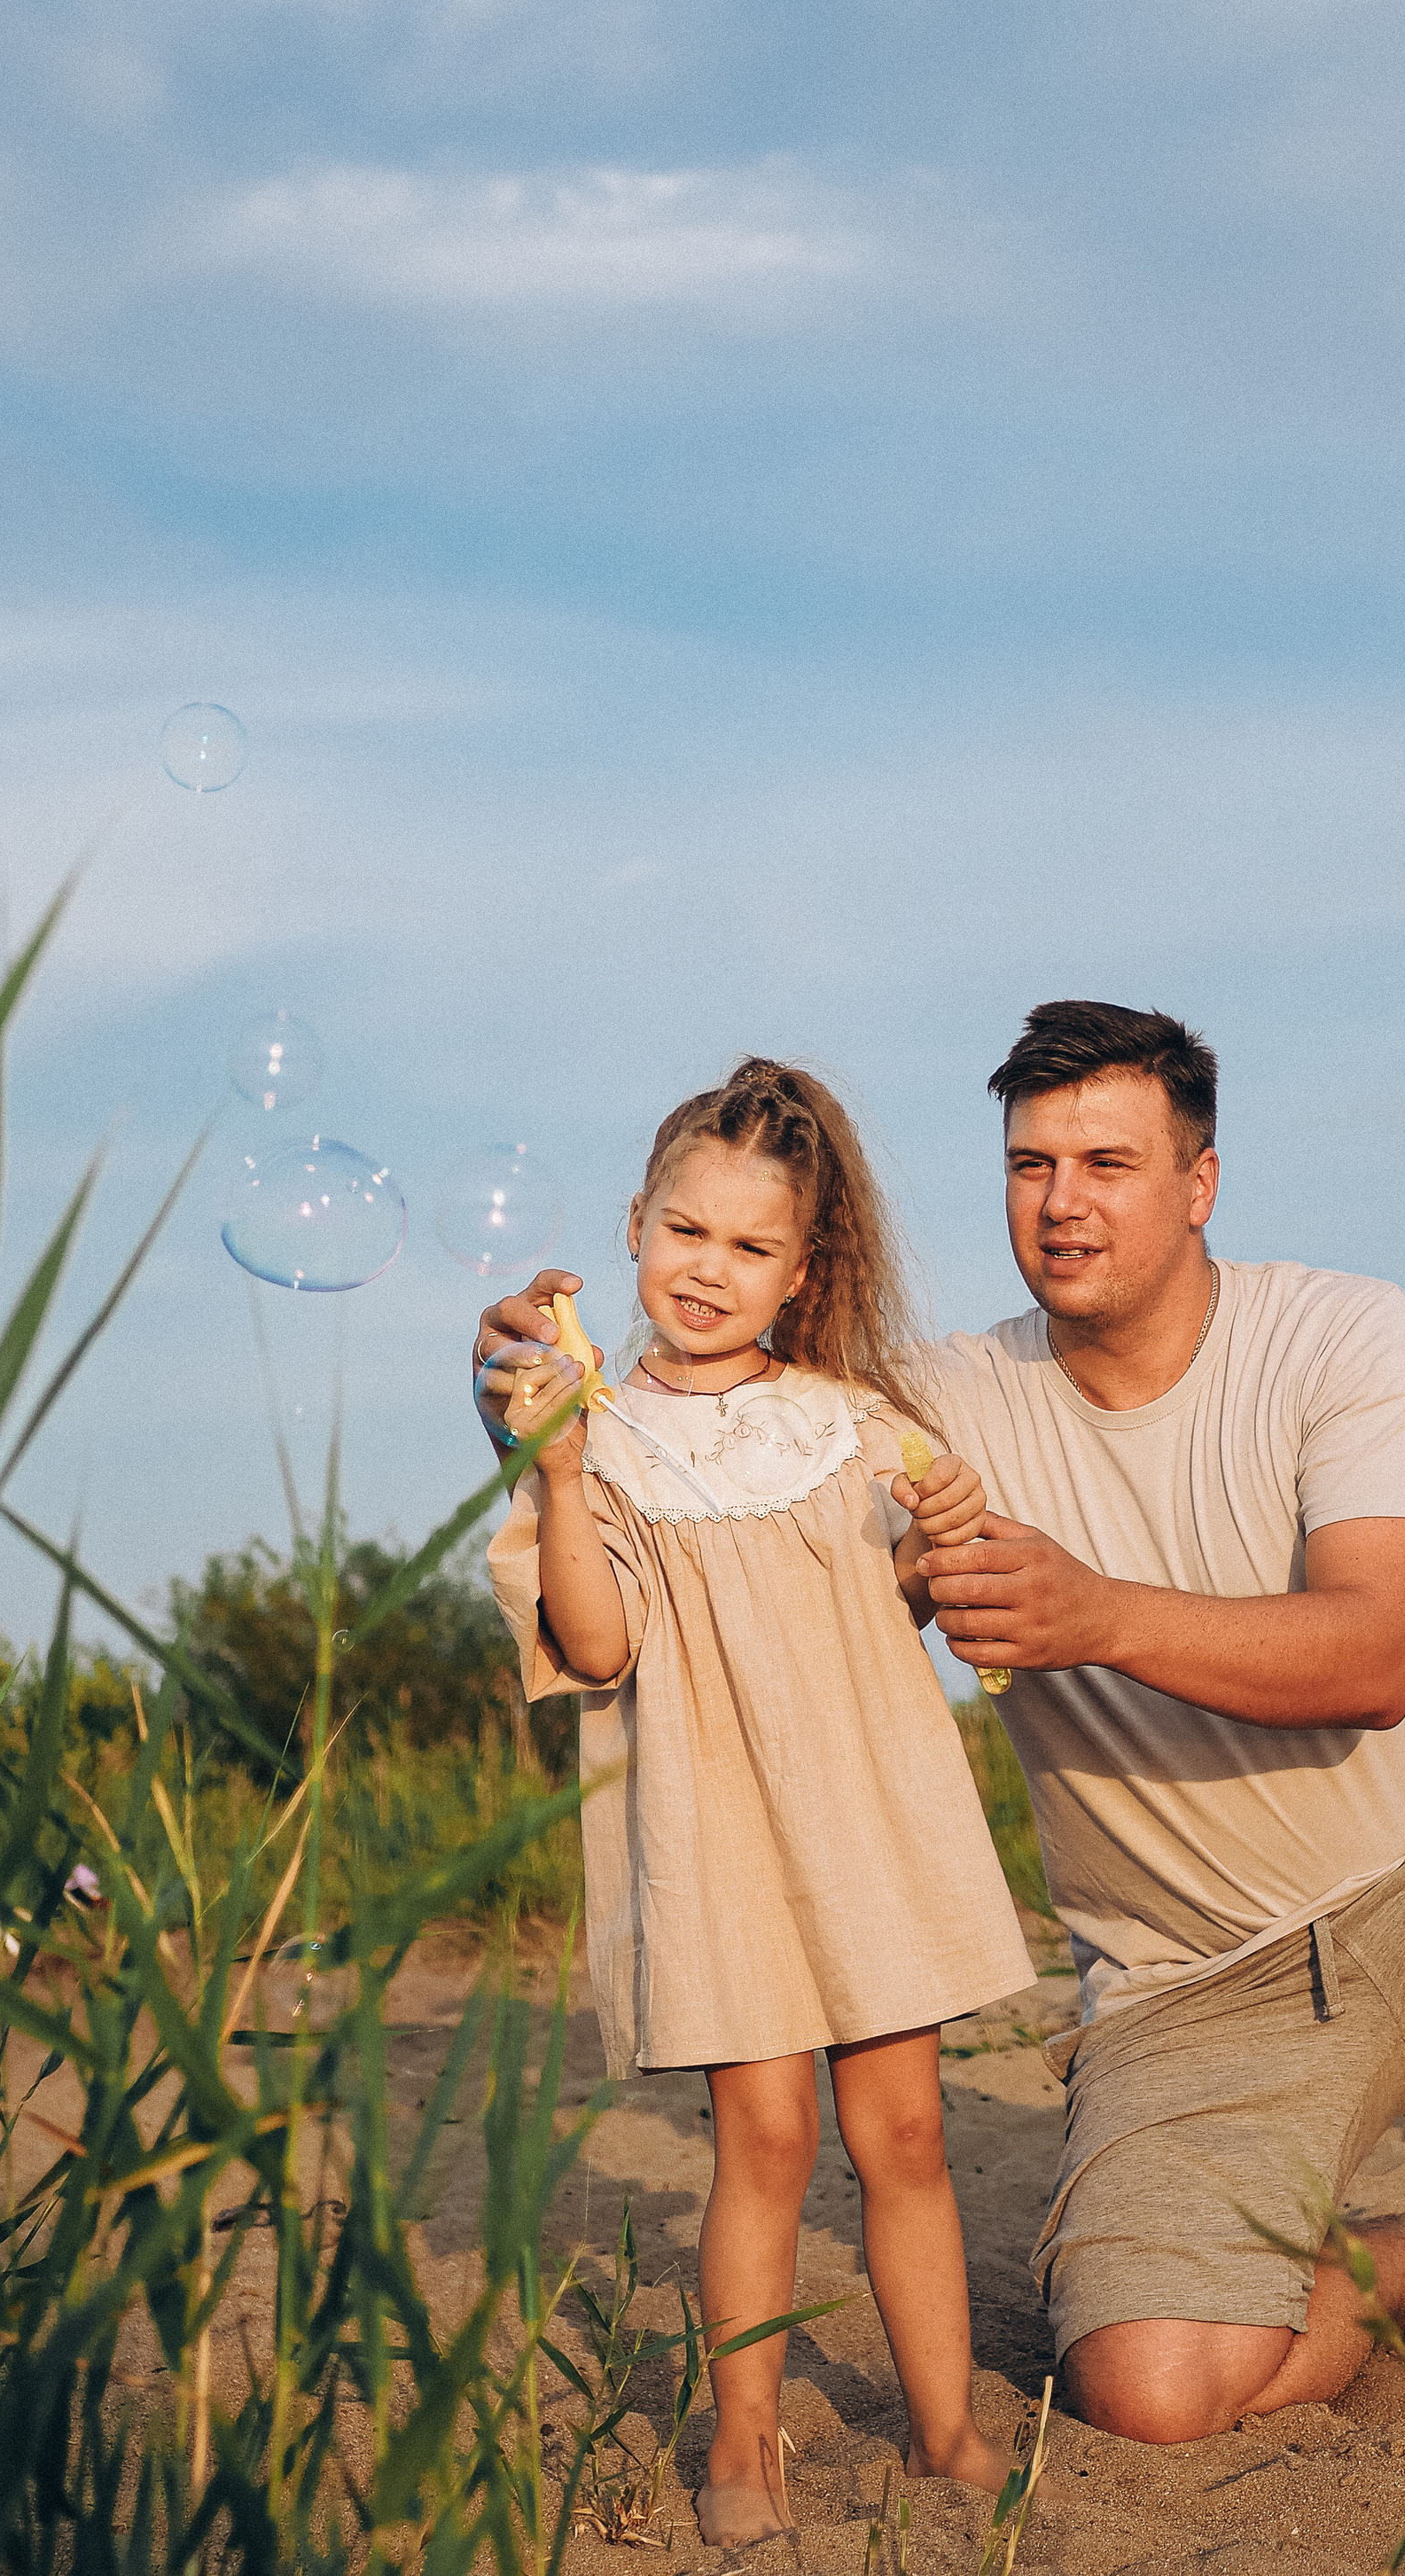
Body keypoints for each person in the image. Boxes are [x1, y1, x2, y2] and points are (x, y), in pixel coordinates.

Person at [476, 1003, 1405, 2447]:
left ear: (1200, 1182)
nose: (1062, 1201)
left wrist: (1097, 1615)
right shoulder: (910, 1409)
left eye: (1108, 1161)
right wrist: (525, 1411)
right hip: (1193, 1981)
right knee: (1151, 2389)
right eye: (1029, 1162)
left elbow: (1376, 1651)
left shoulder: (1344, 1329)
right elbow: (711, 1491)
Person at [480, 1058, 1037, 2541]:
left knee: (906, 2130)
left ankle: (945, 2426)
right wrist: (561, 1474)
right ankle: (747, 2441)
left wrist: (948, 1535)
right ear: (635, 1229)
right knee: (768, 2138)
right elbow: (595, 1645)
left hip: (868, 1818)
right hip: (713, 1834)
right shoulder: (598, 1437)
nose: (707, 1269)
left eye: (747, 1245)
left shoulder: (851, 1423)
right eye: (683, 1231)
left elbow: (917, 1594)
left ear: (802, 1269)